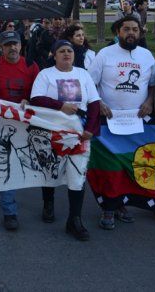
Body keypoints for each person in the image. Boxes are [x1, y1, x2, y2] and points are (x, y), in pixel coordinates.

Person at [30, 40, 101, 241]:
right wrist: (60, 106)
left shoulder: (83, 74)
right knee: (51, 169)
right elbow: (36, 98)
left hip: (79, 133)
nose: (67, 53)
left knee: (77, 174)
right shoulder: (46, 75)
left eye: (69, 50)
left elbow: (94, 103)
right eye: (61, 51)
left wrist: (91, 128)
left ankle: (74, 220)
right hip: (53, 132)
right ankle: (48, 203)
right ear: (54, 55)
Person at [0, 31, 40, 231]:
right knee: (7, 163)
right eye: (7, 45)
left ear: (21, 46)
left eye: (15, 43)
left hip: (26, 125)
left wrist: (30, 101)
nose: (12, 48)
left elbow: (40, 95)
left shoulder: (31, 66)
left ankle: (47, 205)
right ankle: (9, 211)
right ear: (0, 48)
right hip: (1, 126)